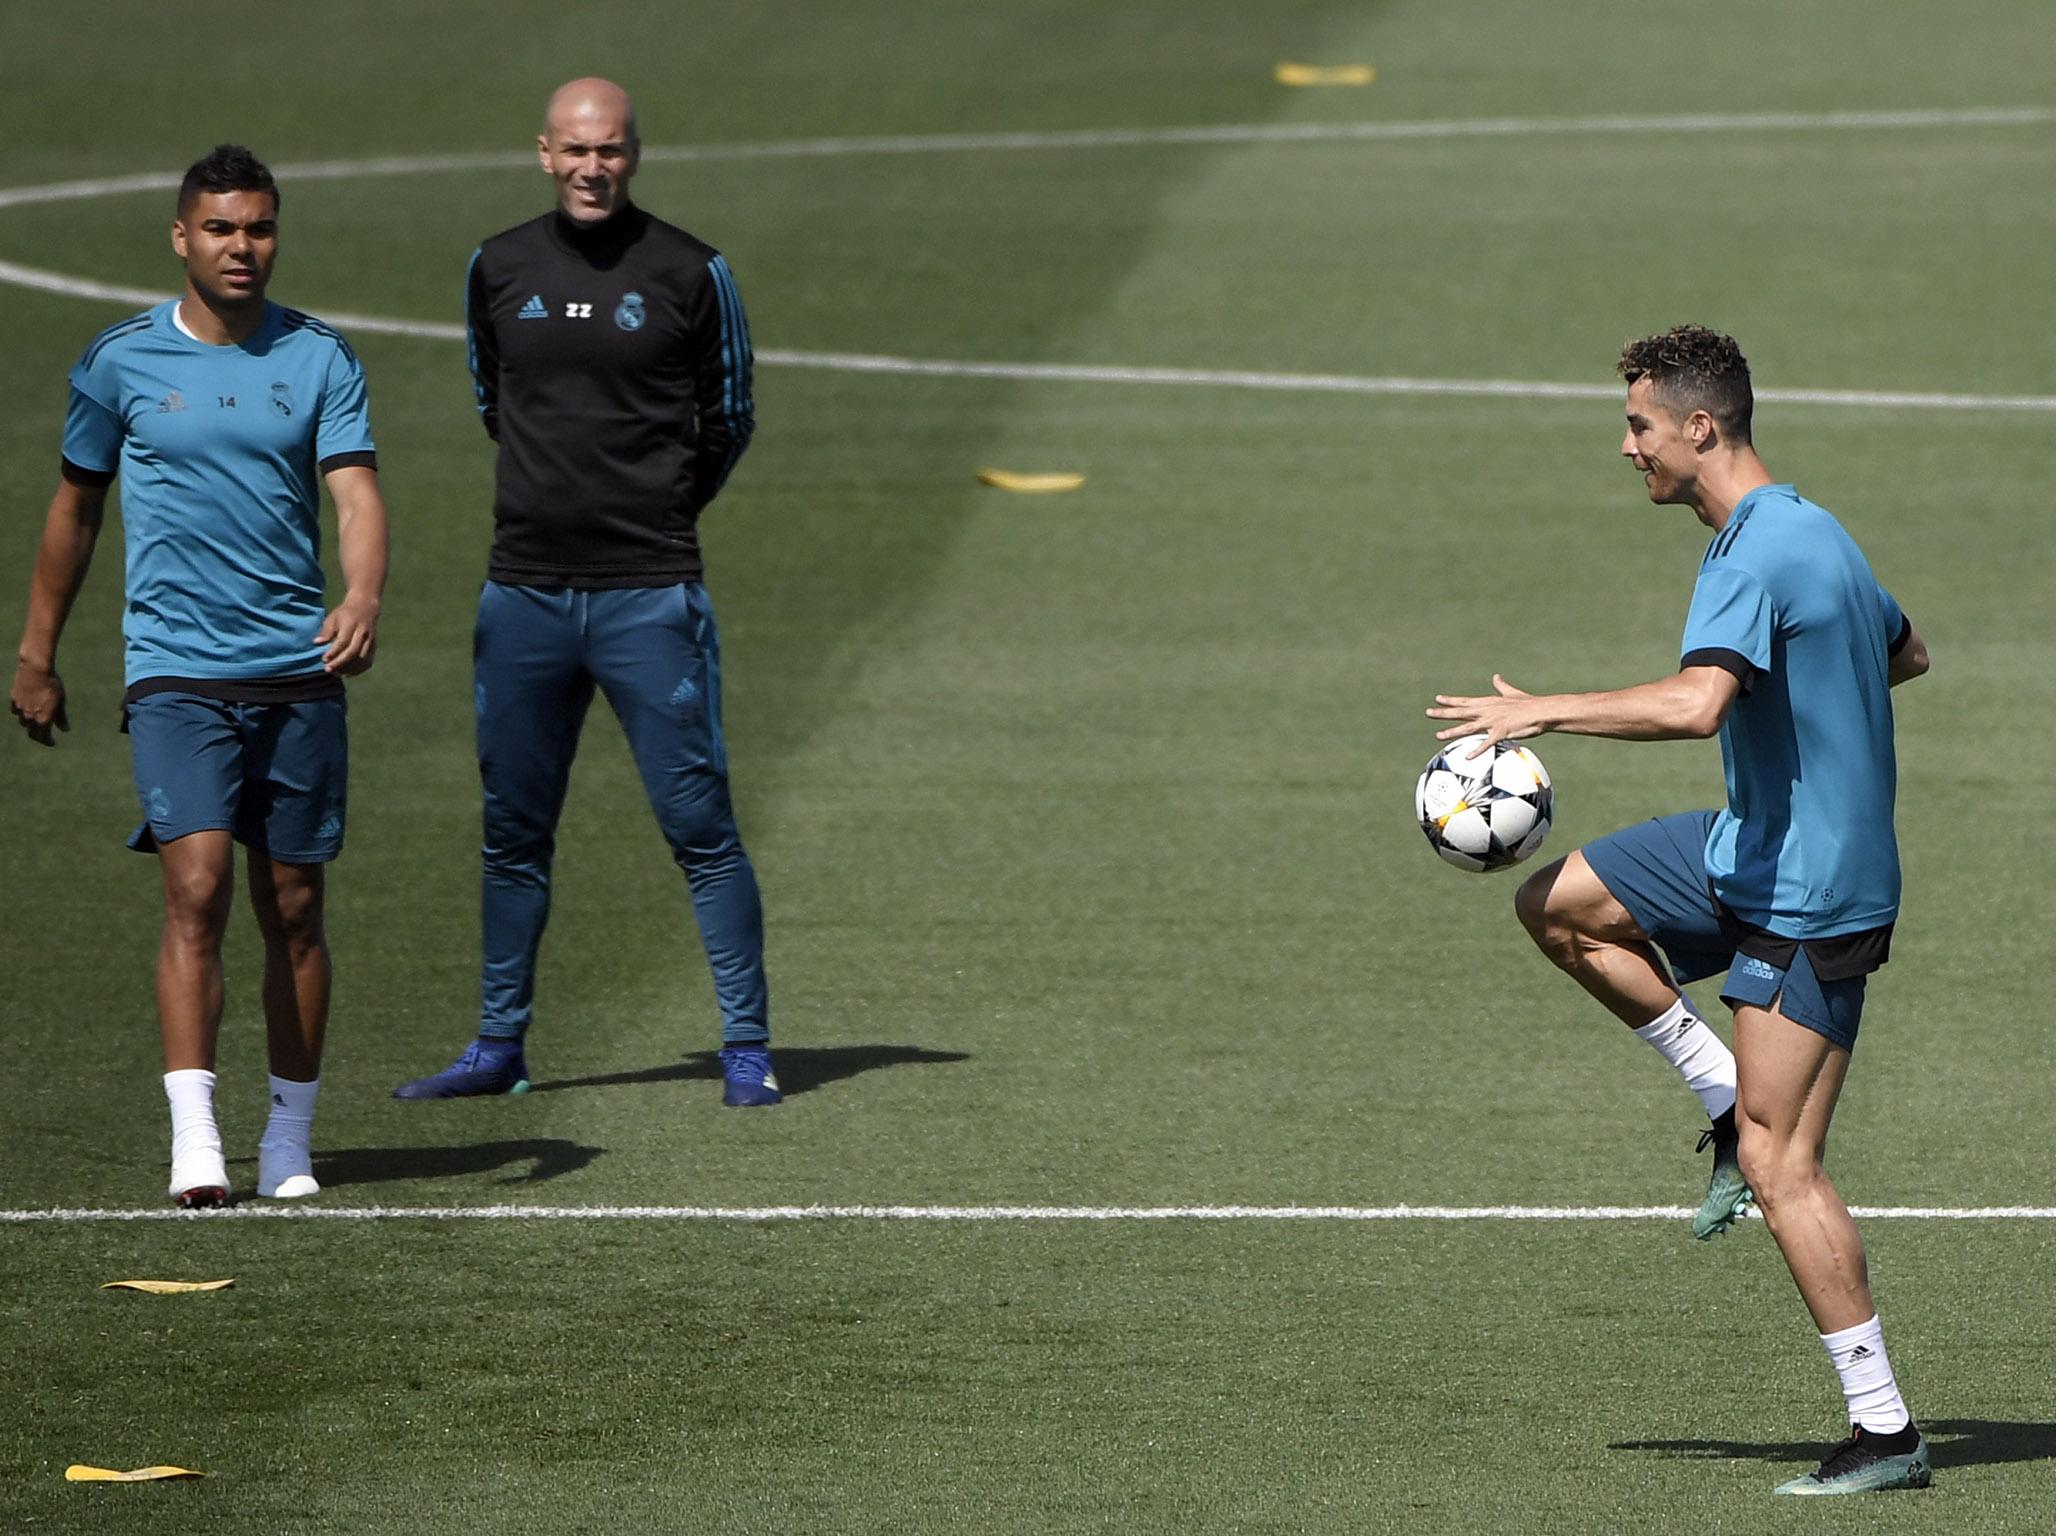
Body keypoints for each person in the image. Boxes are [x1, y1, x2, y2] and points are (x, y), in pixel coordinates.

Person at [1428, 325, 1932, 1497]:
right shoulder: (1813, 531)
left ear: (1700, 427)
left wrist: (1544, 709)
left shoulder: (1756, 554)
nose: (1628, 447)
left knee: (1782, 1162)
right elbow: (1905, 651)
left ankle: (1884, 1428)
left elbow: (1699, 704)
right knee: (1556, 905)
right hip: (1746, 847)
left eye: (1639, 425)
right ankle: (1714, 1092)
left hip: (1814, 894)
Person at [9, 145, 389, 1207]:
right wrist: (38, 655)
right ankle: (196, 1143)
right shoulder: (120, 361)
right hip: (174, 668)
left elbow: (353, 493)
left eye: (259, 228)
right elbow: (75, 509)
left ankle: (288, 1141)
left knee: (297, 907)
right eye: (221, 229)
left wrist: (359, 597)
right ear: (182, 236)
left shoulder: (319, 356)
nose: (243, 247)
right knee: (196, 885)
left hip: (295, 670)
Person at [393, 77, 776, 1106]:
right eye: (573, 150)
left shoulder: (693, 270)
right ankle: (497, 1046)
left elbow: (730, 412)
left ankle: (746, 1049)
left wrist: (657, 512)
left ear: (635, 155)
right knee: (512, 829)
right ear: (543, 153)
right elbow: (491, 396)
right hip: (520, 595)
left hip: (649, 594)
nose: (591, 168)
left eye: (608, 150)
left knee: (699, 827)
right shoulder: (498, 265)